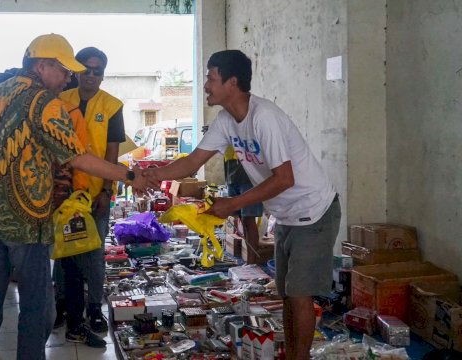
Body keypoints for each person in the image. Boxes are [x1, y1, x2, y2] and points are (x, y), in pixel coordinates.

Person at [0, 33, 154, 360]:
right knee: (36, 302)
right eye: (64, 70)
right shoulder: (44, 102)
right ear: (41, 65)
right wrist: (130, 175)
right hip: (25, 221)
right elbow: (77, 156)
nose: (70, 78)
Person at [143, 50, 340, 360]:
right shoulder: (226, 120)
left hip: (313, 210)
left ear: (232, 82)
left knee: (300, 294)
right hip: (288, 216)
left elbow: (284, 178)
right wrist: (152, 175)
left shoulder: (264, 118)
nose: (206, 85)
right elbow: (193, 161)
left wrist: (232, 203)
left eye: (211, 78)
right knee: (287, 293)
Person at [58, 47, 125, 339]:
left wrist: (107, 191)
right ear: (76, 71)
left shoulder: (112, 105)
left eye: (98, 71)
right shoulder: (60, 100)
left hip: (96, 193)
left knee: (94, 254)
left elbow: (112, 153)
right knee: (62, 252)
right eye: (86, 70)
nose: (92, 76)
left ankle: (94, 308)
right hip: (62, 192)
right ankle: (62, 306)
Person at [223, 145, 263, 264]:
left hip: (248, 175)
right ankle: (249, 261)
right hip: (231, 172)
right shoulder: (225, 131)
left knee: (248, 219)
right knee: (242, 219)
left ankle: (251, 262)